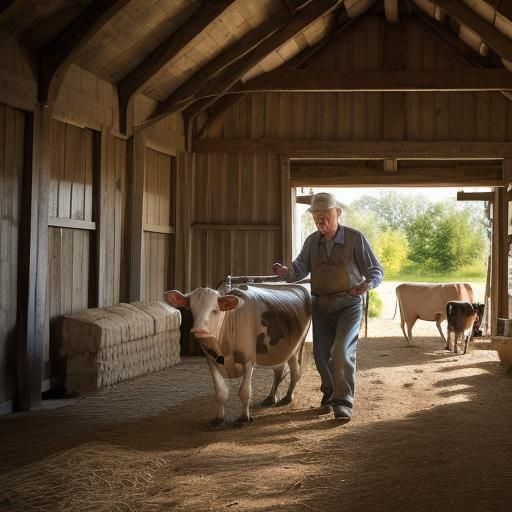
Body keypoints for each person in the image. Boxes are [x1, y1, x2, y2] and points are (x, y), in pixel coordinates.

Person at [272, 192, 383, 422]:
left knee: (341, 351)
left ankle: (343, 402)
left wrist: (366, 285)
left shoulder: (354, 238)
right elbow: (300, 267)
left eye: (325, 217)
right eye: (316, 218)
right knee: (321, 355)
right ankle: (330, 392)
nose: (320, 222)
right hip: (320, 305)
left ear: (337, 214)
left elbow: (376, 271)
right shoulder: (312, 241)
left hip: (348, 305)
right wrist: (287, 272)